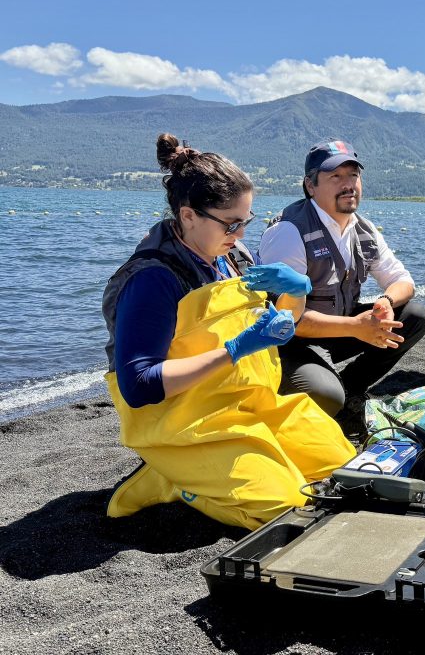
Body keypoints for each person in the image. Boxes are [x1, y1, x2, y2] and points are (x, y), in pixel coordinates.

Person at [101, 134, 354, 531]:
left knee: (343, 468)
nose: (239, 235)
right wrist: (235, 349)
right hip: (183, 424)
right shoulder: (154, 279)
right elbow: (140, 385)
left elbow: (282, 331)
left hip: (248, 405)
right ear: (188, 216)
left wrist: (296, 291)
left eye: (246, 222)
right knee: (283, 506)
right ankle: (172, 479)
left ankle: (210, 471)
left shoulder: (233, 258)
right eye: (231, 224)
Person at [258, 140, 425, 440]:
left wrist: (387, 301)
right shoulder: (288, 231)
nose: (348, 185)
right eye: (335, 177)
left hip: (338, 328)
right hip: (286, 343)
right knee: (326, 395)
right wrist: (355, 327)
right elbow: (284, 319)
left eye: (353, 175)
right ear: (310, 186)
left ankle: (351, 389)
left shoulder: (363, 229)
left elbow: (403, 280)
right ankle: (318, 392)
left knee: (414, 315)